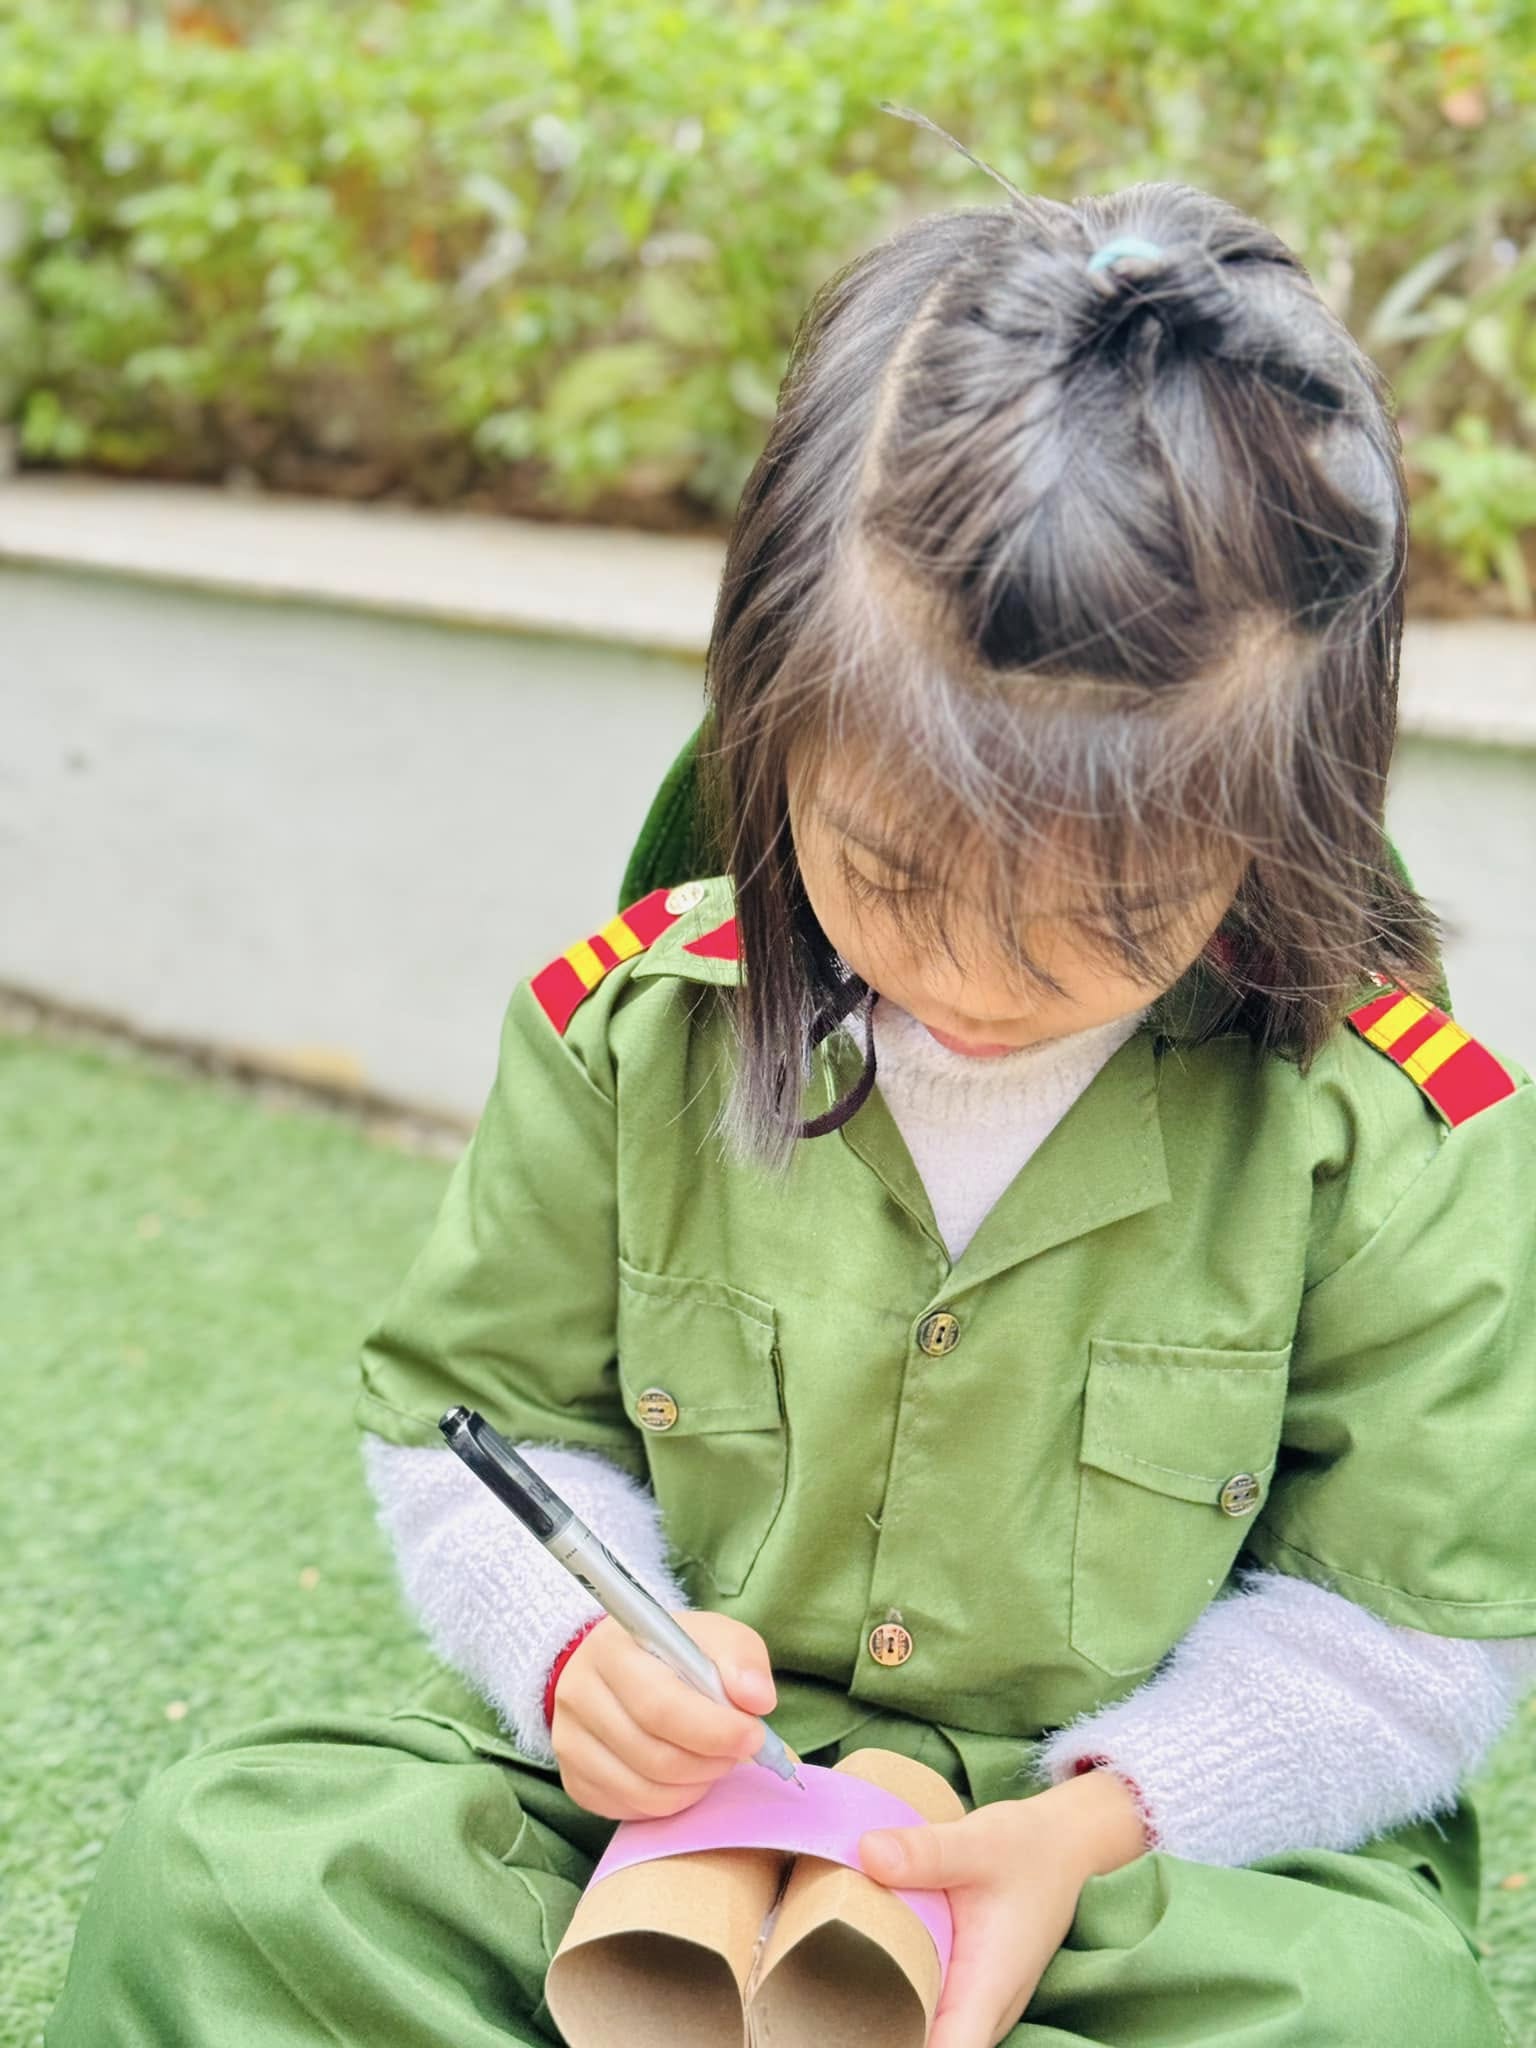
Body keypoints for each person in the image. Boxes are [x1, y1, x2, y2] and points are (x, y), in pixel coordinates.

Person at [48, 160, 1536, 2048]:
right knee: (227, 1878)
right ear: (769, 720)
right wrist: (576, 1656)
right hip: (654, 1812)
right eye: (894, 872)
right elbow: (475, 1431)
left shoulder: (1397, 1135)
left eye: (1111, 916)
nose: (978, 979)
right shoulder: (627, 1028)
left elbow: (1414, 1628)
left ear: (1289, 812)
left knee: (1374, 2013)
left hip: (1116, 1860)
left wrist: (1099, 1820)